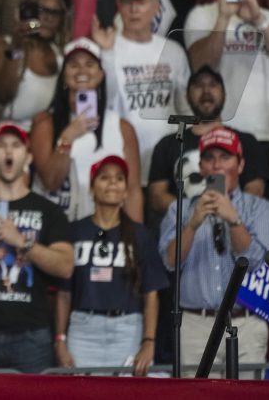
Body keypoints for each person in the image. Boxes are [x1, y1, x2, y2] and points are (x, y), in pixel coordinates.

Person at [0, 122, 73, 372]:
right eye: (1, 146)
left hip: (31, 337)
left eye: (16, 145)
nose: (8, 152)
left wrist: (21, 241)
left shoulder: (49, 211)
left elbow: (65, 267)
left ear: (28, 156)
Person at [158, 127, 269, 375]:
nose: (217, 165)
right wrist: (192, 223)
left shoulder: (260, 209)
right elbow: (170, 262)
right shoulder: (179, 209)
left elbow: (256, 263)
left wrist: (233, 220)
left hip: (246, 322)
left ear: (240, 165)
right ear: (201, 167)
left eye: (225, 157)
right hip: (195, 324)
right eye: (209, 158)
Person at [55, 155, 168, 375]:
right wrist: (60, 339)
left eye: (119, 178)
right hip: (83, 330)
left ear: (126, 191)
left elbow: (151, 294)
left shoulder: (141, 235)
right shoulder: (73, 231)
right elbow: (63, 293)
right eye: (104, 178)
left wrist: (149, 341)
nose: (112, 183)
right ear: (92, 188)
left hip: (127, 329)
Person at [92, 0, 191, 186]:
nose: (134, 9)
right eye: (127, 1)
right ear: (119, 5)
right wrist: (106, 53)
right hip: (119, 162)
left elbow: (185, 110)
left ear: (156, 6)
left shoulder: (173, 51)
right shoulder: (104, 48)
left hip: (166, 167)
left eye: (141, 1)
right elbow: (102, 106)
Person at [30, 37, 143, 223]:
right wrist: (68, 136)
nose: (82, 70)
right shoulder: (45, 123)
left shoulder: (122, 128)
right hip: (55, 229)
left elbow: (132, 192)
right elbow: (50, 182)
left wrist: (136, 240)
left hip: (104, 229)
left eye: (90, 64)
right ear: (64, 75)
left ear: (101, 74)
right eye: (73, 65)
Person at [185, 0, 269, 174]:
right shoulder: (201, 16)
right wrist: (223, 19)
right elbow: (201, 66)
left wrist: (258, 20)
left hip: (268, 132)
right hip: (220, 136)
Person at [148, 66, 269, 218]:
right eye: (198, 85)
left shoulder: (247, 142)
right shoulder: (168, 145)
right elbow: (156, 197)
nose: (206, 91)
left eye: (213, 85)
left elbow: (255, 190)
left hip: (236, 228)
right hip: (185, 231)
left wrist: (228, 214)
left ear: (224, 94)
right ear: (187, 96)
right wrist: (196, 214)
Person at [0, 0, 68, 130]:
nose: (48, 18)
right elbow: (2, 95)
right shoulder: (5, 45)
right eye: (42, 11)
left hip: (42, 133)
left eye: (55, 13)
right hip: (7, 133)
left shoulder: (60, 54)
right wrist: (18, 47)